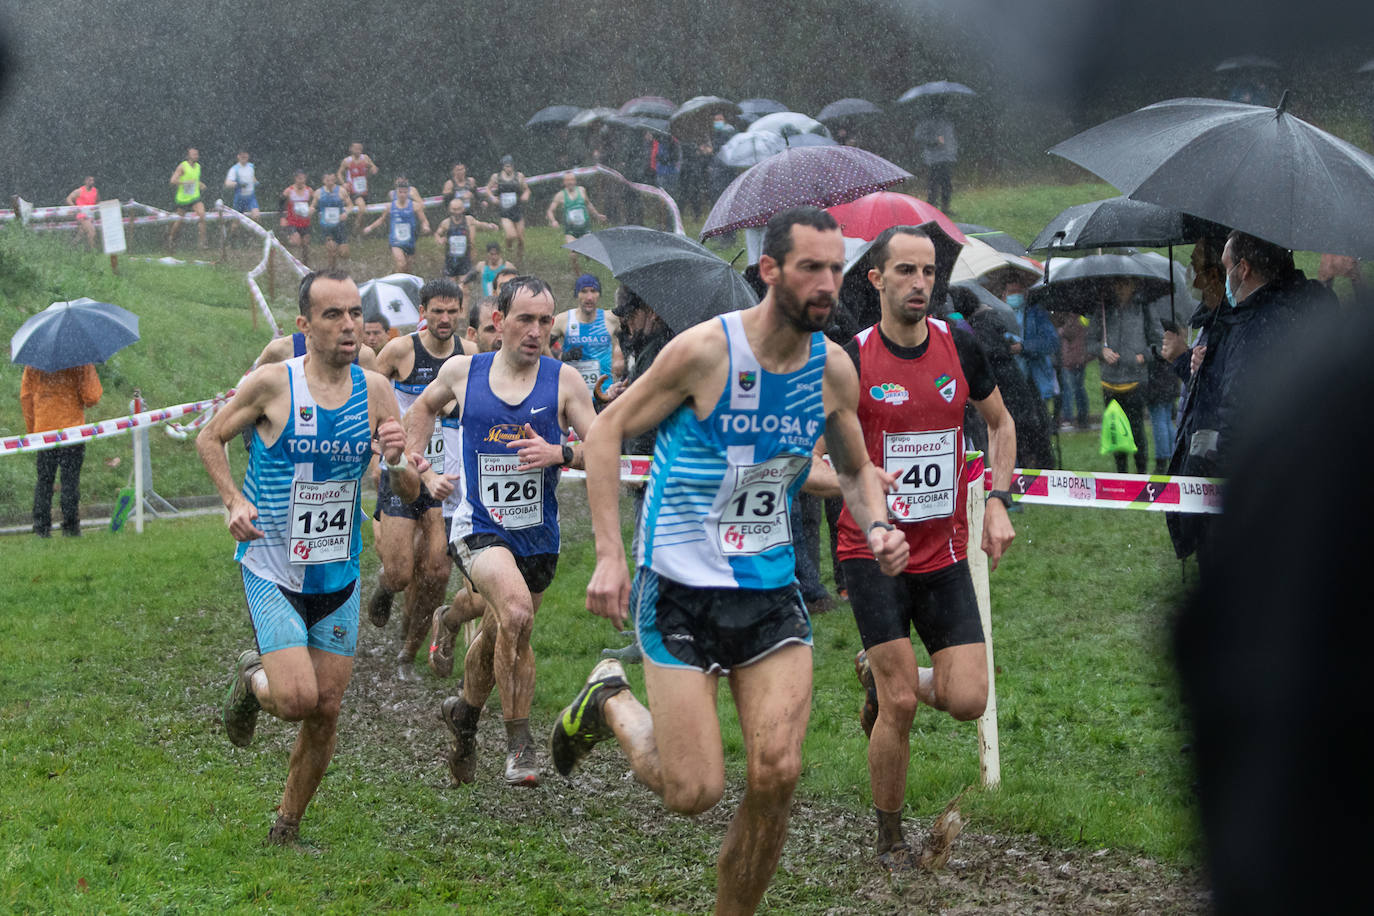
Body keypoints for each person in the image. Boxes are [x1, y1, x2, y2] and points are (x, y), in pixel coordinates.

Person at [550, 208, 908, 916]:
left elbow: (856, 468)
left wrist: (878, 525)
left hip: (769, 589)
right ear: (769, 271)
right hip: (678, 588)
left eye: (836, 269)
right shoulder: (702, 353)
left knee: (778, 772)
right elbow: (607, 434)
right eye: (811, 267)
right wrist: (609, 556)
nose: (827, 284)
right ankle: (611, 700)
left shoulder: (833, 369)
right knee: (695, 792)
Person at [194, 268, 420, 845]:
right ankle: (253, 681)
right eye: (333, 316)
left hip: (338, 574)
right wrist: (231, 500)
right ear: (304, 325)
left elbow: (408, 491)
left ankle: (286, 827)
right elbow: (209, 437)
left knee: (328, 708)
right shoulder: (273, 383)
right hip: (271, 566)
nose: (350, 327)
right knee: (296, 699)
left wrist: (397, 463)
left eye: (354, 314)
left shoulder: (375, 391)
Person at [836, 226, 1016, 868]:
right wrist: (863, 482)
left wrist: (997, 499)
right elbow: (806, 463)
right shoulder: (849, 359)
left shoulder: (959, 345)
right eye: (905, 271)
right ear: (876, 280)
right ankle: (889, 839)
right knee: (902, 702)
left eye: (929, 271)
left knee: (969, 699)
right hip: (870, 549)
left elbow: (1001, 423)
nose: (920, 283)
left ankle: (876, 673)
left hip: (941, 553)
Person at [405, 276, 598, 787]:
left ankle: (464, 717)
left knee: (502, 631)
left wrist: (561, 453)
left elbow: (604, 446)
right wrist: (421, 464)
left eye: (544, 322)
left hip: (538, 537)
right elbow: (421, 409)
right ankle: (518, 742)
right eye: (525, 320)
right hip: (478, 528)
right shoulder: (464, 372)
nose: (536, 332)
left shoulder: (565, 381)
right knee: (513, 611)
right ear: (498, 321)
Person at [1165, 230, 1336, 570]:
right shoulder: (1294, 311)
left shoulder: (1257, 325)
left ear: (1242, 269)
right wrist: (1203, 364)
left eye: (1225, 265)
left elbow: (1238, 411)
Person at [367, 278, 474, 680]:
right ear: (422, 312)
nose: (445, 319)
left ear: (460, 311)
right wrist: (379, 447)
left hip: (445, 479)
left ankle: (409, 652)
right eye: (437, 311)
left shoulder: (470, 355)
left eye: (452, 311)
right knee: (400, 571)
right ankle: (385, 585)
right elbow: (369, 395)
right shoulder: (399, 350)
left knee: (438, 571)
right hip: (403, 473)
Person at [426, 294, 502, 680]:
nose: (501, 336)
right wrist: (424, 472)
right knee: (483, 601)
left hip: (523, 515)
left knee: (498, 608)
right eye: (492, 328)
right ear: (474, 334)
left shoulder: (544, 378)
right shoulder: (462, 377)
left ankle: (459, 631)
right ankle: (453, 623)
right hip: (469, 508)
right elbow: (419, 410)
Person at [1087, 278, 1160, 474]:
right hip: (1109, 383)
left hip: (1136, 381)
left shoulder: (1144, 307)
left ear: (1134, 285)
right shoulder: (1102, 308)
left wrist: (1143, 356)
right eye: (1117, 284)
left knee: (1136, 431)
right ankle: (1122, 476)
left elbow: (1158, 342)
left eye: (1125, 283)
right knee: (1116, 431)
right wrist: (1102, 352)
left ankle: (1141, 474)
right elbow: (1091, 341)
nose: (1120, 287)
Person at [21, 363, 102, 537]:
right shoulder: (80, 361)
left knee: (44, 481)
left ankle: (41, 528)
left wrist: (32, 431)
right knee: (70, 481)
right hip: (72, 432)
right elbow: (92, 397)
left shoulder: (34, 364)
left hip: (44, 432)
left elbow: (26, 398)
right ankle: (71, 527)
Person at [551, 273, 623, 406]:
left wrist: (620, 357)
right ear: (576, 295)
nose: (589, 297)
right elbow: (541, 346)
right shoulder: (563, 320)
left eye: (593, 291)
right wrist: (561, 357)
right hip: (572, 395)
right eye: (584, 291)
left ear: (599, 294)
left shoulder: (611, 320)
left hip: (605, 396)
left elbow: (633, 342)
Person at [363, 176, 430, 274]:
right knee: (401, 263)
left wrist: (425, 226)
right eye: (400, 192)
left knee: (407, 268)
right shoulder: (390, 207)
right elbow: (381, 220)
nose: (402, 195)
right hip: (395, 240)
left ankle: (394, 277)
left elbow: (424, 220)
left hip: (410, 240)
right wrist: (370, 227)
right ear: (396, 192)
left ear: (408, 193)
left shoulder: (415, 206)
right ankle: (395, 283)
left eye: (405, 192)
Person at [545, 171, 606, 273]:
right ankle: (577, 274)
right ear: (564, 182)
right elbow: (550, 211)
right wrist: (553, 221)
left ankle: (589, 262)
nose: (570, 182)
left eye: (572, 180)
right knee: (573, 254)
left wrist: (597, 215)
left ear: (575, 181)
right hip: (570, 232)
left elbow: (588, 204)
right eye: (568, 180)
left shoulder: (582, 190)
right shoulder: (560, 195)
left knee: (588, 249)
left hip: (585, 229)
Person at [435, 195, 497, 282]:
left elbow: (480, 224)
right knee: (451, 286)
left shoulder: (469, 220)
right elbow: (437, 234)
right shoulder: (446, 223)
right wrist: (439, 239)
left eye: (459, 209)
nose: (456, 212)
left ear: (463, 208)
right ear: (449, 209)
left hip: (465, 259)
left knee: (463, 285)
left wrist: (490, 226)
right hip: (450, 260)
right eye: (454, 209)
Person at [483, 155, 530, 267]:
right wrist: (492, 198)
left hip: (517, 210)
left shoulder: (519, 176)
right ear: (503, 167)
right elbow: (487, 189)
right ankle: (508, 248)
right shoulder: (496, 177)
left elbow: (527, 189)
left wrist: (525, 195)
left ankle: (519, 260)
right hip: (504, 211)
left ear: (513, 166)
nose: (508, 169)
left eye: (510, 166)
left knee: (521, 239)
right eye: (506, 166)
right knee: (510, 235)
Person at [913, 105, 957, 213]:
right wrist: (934, 140)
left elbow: (951, 138)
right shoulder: (927, 122)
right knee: (934, 183)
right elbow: (918, 136)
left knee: (946, 184)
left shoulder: (947, 122)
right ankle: (931, 207)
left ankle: (945, 207)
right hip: (934, 158)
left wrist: (952, 152)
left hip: (947, 157)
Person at [1053, 311, 1091, 430]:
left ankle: (1072, 417)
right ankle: (1082, 417)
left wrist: (1060, 329)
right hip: (1076, 358)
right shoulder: (1080, 318)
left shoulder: (1074, 319)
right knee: (1078, 388)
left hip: (1073, 359)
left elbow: (1068, 332)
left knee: (1071, 388)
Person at [311, 170, 354, 270]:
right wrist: (309, 211)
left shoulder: (341, 191)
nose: (330, 182)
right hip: (326, 226)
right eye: (327, 180)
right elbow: (313, 206)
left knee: (344, 254)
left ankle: (338, 257)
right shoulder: (318, 193)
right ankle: (332, 272)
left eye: (332, 180)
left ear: (334, 180)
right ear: (323, 181)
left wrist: (345, 213)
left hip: (340, 226)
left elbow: (350, 205)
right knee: (331, 250)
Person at [167, 147, 207, 252]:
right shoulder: (182, 166)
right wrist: (185, 183)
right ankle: (171, 239)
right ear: (188, 156)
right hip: (183, 198)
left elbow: (195, 180)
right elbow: (172, 181)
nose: (196, 156)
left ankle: (202, 243)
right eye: (194, 154)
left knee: (202, 215)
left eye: (197, 154)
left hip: (194, 197)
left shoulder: (198, 166)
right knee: (179, 221)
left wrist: (200, 184)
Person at [338, 141, 379, 232]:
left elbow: (374, 168)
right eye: (356, 148)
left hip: (364, 190)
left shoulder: (365, 158)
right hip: (353, 191)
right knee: (362, 207)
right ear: (351, 149)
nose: (358, 150)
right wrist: (343, 183)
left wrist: (373, 169)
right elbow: (339, 173)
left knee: (363, 212)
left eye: (360, 148)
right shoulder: (347, 161)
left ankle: (360, 231)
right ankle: (355, 229)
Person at [278, 170, 313, 266]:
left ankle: (305, 264)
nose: (301, 181)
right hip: (292, 222)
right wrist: (282, 217)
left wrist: (312, 208)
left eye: (303, 178)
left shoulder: (309, 191)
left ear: (305, 179)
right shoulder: (289, 191)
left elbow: (315, 202)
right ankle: (286, 242)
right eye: (299, 178)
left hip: (305, 222)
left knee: (305, 244)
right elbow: (280, 203)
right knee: (296, 241)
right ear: (295, 179)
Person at [223, 150, 261, 227]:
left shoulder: (251, 166)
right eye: (241, 155)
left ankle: (253, 237)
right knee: (236, 223)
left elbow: (252, 178)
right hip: (240, 198)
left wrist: (257, 183)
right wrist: (238, 184)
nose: (243, 157)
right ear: (238, 157)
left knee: (256, 216)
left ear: (248, 156)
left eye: (245, 155)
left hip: (251, 198)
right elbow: (227, 183)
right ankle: (232, 236)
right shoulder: (234, 169)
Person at [64, 175, 98, 249]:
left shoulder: (95, 191)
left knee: (80, 235)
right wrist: (75, 207)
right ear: (85, 181)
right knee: (92, 232)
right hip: (82, 216)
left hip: (91, 216)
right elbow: (68, 199)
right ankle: (93, 252)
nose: (92, 182)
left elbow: (98, 201)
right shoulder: (79, 191)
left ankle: (69, 249)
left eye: (93, 180)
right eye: (90, 180)